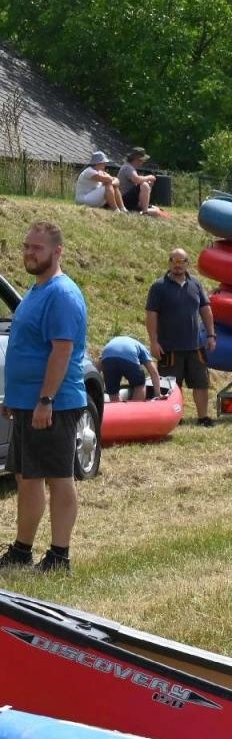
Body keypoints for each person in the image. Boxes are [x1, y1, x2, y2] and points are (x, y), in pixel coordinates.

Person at [1, 221, 89, 574]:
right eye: (26, 246)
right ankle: (22, 551)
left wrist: (46, 400)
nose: (29, 253)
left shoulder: (62, 294)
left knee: (57, 477)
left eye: (36, 248)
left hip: (55, 403)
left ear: (57, 251)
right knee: (26, 476)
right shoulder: (36, 290)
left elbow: (62, 351)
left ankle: (59, 556)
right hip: (27, 402)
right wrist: (17, 397)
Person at [144, 248, 217, 425]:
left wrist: (211, 335)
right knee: (172, 386)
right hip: (170, 347)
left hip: (194, 346)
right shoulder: (158, 286)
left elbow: (205, 310)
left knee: (201, 383)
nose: (177, 265)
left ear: (187, 264)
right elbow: (151, 315)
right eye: (174, 261)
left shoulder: (196, 285)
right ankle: (175, 417)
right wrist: (154, 342)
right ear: (169, 263)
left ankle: (203, 417)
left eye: (181, 261)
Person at [98, 335, 161, 402]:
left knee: (113, 392)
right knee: (139, 385)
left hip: (107, 358)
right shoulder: (141, 346)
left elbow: (97, 367)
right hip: (129, 355)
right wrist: (158, 394)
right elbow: (153, 372)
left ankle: (118, 410)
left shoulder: (115, 342)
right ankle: (135, 410)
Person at [115, 148, 160, 215]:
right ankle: (144, 212)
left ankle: (142, 211)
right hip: (124, 199)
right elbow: (137, 179)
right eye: (142, 160)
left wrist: (149, 185)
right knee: (144, 184)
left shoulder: (128, 167)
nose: (142, 162)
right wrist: (149, 177)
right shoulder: (128, 167)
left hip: (127, 199)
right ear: (137, 159)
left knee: (156, 209)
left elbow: (137, 181)